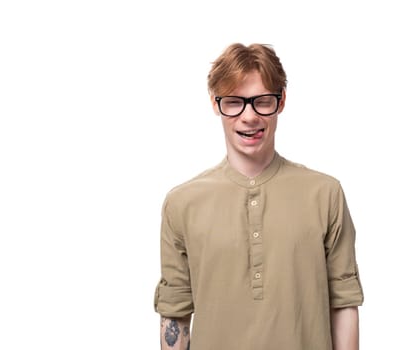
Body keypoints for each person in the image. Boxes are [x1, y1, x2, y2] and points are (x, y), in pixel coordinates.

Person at [154, 43, 364, 350]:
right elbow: (175, 314)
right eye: (234, 102)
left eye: (262, 101)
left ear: (281, 102)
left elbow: (344, 303)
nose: (249, 116)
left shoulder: (325, 194)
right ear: (215, 103)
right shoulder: (181, 204)